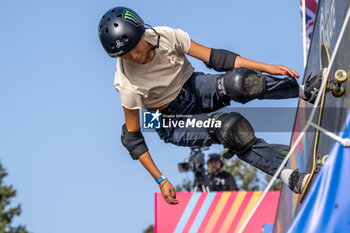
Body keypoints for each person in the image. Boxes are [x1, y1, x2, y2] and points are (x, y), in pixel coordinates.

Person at [98, 7, 320, 205]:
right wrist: (160, 179)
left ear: (141, 33)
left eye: (134, 48)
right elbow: (133, 138)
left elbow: (216, 58)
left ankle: (306, 91)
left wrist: (267, 67)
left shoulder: (166, 36)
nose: (133, 56)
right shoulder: (126, 82)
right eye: (124, 55)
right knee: (230, 129)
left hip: (194, 86)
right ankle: (289, 176)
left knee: (242, 82)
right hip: (171, 120)